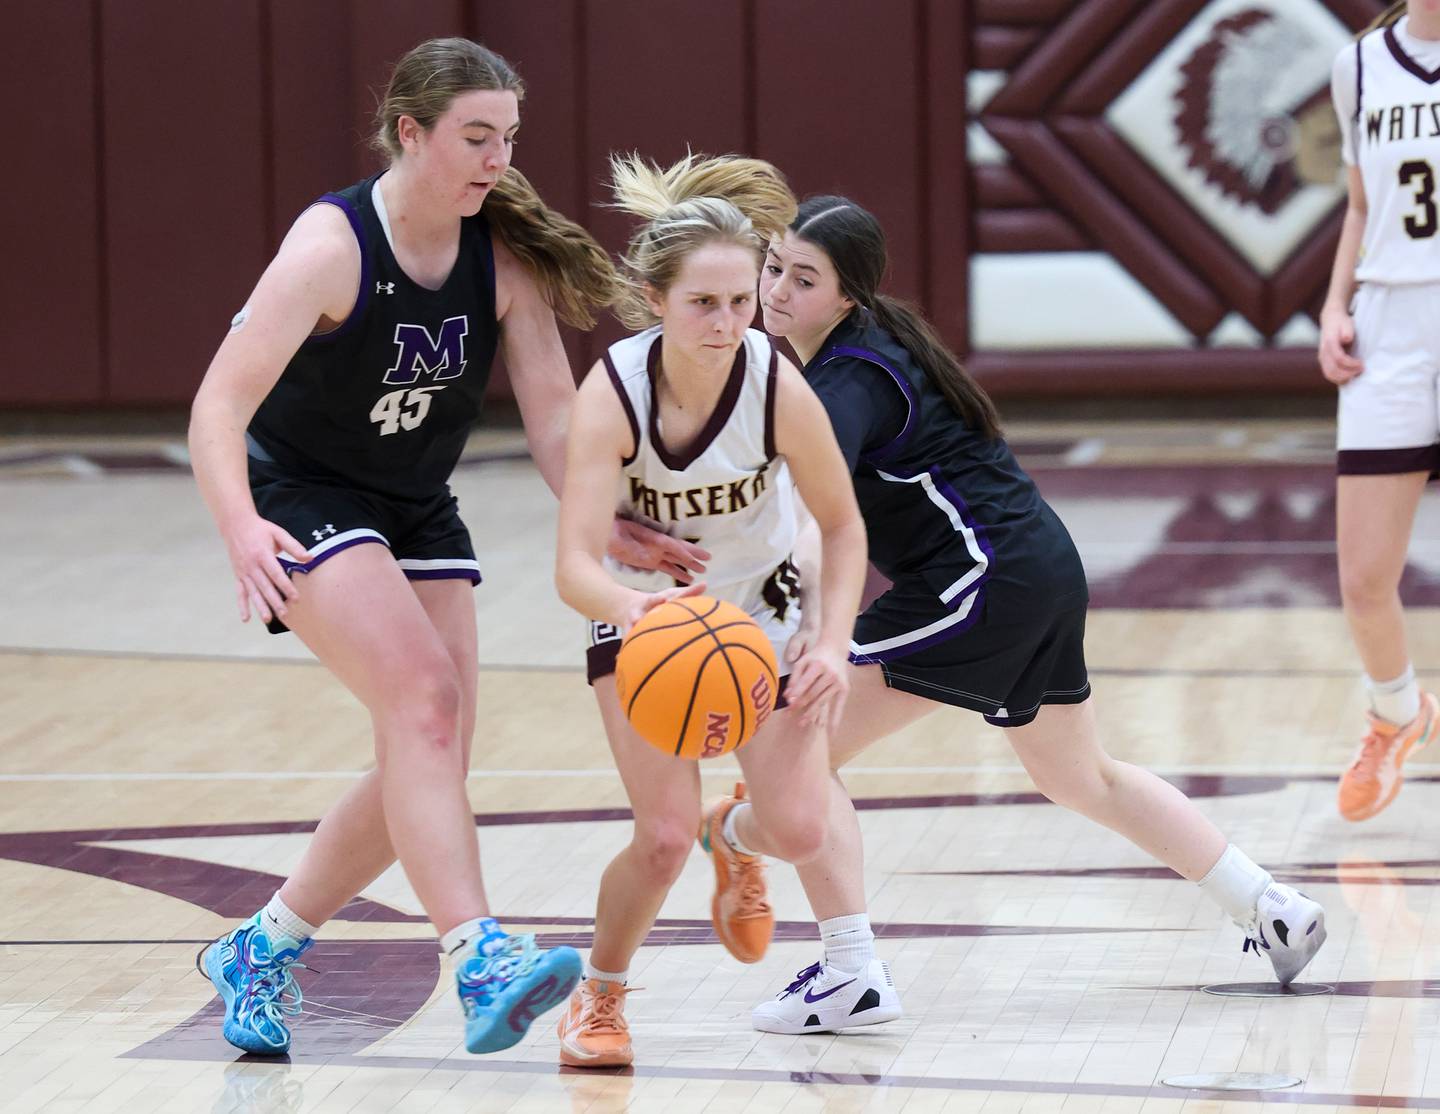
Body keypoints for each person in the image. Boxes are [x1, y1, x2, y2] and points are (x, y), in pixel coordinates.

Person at [187, 38, 702, 1057]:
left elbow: (557, 423)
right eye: (475, 137)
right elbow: (218, 401)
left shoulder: (498, 255)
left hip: (415, 504)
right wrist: (242, 523)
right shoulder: (334, 248)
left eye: (507, 138)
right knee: (423, 704)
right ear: (409, 132)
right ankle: (479, 956)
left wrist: (600, 518)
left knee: (430, 750)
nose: (495, 159)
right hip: (305, 494)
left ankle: (265, 943)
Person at [747, 194, 1328, 1034]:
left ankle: (851, 974)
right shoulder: (868, 350)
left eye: (803, 279)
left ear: (848, 296)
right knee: (1076, 775)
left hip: (982, 580)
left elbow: (816, 516)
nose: (776, 291)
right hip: (1039, 568)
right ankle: (1269, 906)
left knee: (792, 747)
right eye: (773, 268)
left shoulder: (847, 379)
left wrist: (810, 631)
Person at [550, 154, 868, 1067]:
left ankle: (733, 838)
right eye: (703, 304)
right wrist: (633, 610)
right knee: (654, 842)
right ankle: (600, 998)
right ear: (655, 299)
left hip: (759, 620)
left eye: (741, 301)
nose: (728, 323)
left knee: (803, 828)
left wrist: (834, 643)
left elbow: (844, 529)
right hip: (645, 624)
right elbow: (573, 565)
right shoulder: (612, 392)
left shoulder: (773, 380)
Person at [1319, 0, 1440, 822]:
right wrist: (1334, 306)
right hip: (1391, 324)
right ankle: (1398, 713)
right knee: (1363, 578)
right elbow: (1363, 207)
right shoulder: (1358, 67)